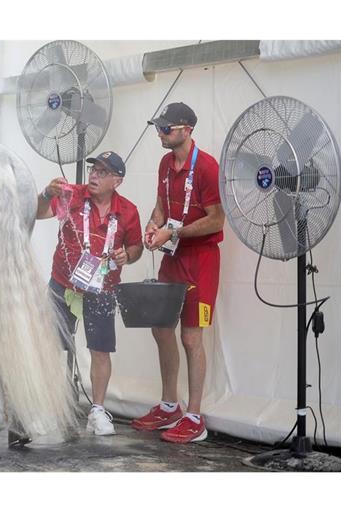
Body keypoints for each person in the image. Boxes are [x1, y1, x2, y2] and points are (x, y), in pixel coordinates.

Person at [133, 102, 224, 444]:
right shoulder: (164, 163)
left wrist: (172, 233)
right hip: (172, 257)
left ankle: (195, 416)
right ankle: (170, 405)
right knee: (160, 329)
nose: (160, 132)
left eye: (166, 128)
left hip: (200, 261)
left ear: (186, 130)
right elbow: (161, 202)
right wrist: (153, 223)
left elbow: (217, 220)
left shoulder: (208, 168)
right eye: (159, 127)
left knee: (191, 337)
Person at [37, 151, 142, 436]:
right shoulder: (71, 195)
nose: (94, 175)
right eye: (94, 169)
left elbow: (137, 248)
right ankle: (49, 405)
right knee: (50, 345)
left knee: (101, 349)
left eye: (103, 172)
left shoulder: (129, 211)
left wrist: (126, 256)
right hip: (63, 282)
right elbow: (38, 212)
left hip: (102, 288)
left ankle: (97, 410)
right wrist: (47, 192)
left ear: (117, 181)